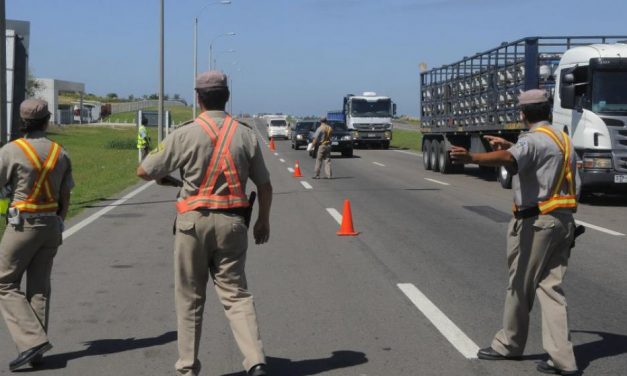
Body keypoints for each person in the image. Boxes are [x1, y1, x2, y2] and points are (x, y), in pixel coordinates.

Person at [136, 71, 272, 376]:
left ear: (198, 98)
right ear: (227, 96)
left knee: (190, 298)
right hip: (233, 223)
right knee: (236, 295)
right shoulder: (246, 134)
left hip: (191, 226)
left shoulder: (185, 133)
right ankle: (256, 361)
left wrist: (169, 177)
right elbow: (264, 186)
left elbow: (144, 171)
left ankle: (187, 368)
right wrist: (263, 221)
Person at [450, 89, 580, 375]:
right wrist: (511, 144)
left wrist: (472, 156)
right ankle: (564, 360)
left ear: (522, 114)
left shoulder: (531, 141)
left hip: (536, 223)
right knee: (551, 288)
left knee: (519, 284)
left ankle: (508, 344)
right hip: (563, 221)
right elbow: (540, 157)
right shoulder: (561, 138)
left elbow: (510, 159)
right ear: (548, 111)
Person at [0, 99, 74, 371]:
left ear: (22, 121)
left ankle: (32, 341)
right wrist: (60, 221)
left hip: (23, 225)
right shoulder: (60, 152)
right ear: (46, 120)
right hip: (51, 224)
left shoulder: (11, 151)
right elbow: (66, 194)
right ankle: (35, 352)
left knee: (5, 283)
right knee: (39, 288)